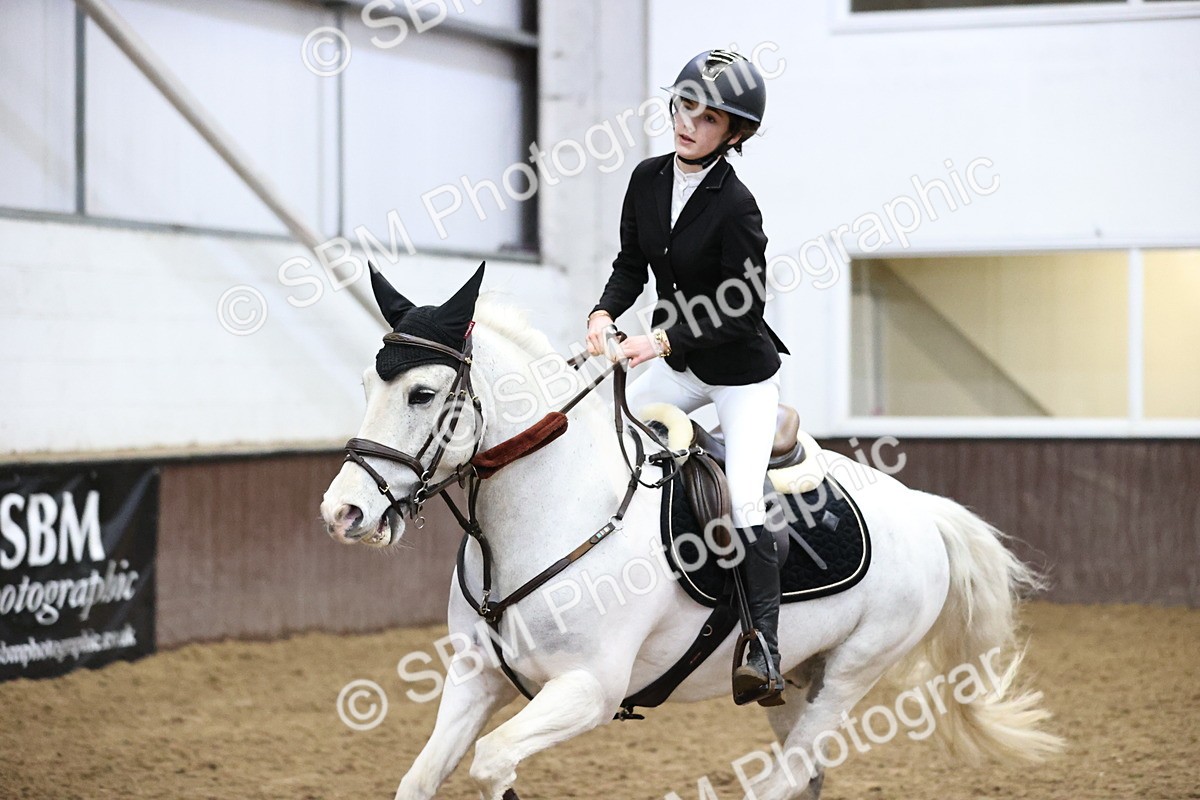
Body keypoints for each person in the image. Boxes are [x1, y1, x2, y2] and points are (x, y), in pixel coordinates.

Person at [585, 49, 790, 706]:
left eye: (706, 117)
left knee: (748, 496)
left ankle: (764, 643)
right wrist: (603, 311)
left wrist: (660, 338)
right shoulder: (647, 179)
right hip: (677, 368)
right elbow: (629, 264)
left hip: (738, 376)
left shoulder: (738, 205)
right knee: (606, 438)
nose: (688, 123)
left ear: (734, 133)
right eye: (682, 107)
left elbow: (743, 306)